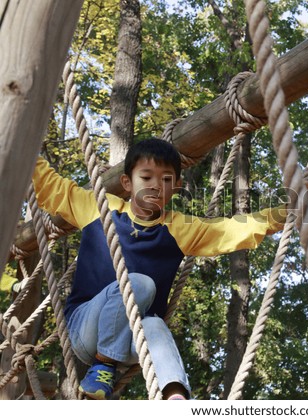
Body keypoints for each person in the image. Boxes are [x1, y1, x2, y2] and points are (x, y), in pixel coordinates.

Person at [31, 138, 287, 400]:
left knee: (154, 324)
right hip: (85, 328)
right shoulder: (100, 209)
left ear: (175, 187)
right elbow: (53, 187)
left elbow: (229, 229)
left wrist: (280, 214)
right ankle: (104, 364)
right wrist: (23, 145)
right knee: (140, 284)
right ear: (128, 183)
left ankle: (175, 396)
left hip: (134, 341)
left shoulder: (178, 228)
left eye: (166, 180)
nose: (155, 185)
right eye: (146, 176)